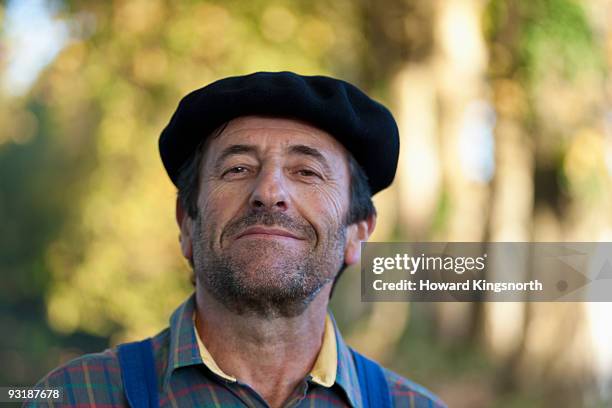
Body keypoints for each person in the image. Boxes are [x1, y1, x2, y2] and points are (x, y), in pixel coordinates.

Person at [29, 72, 446, 408]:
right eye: (237, 168)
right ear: (187, 223)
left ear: (358, 232)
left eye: (306, 171)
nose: (269, 190)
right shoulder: (72, 397)